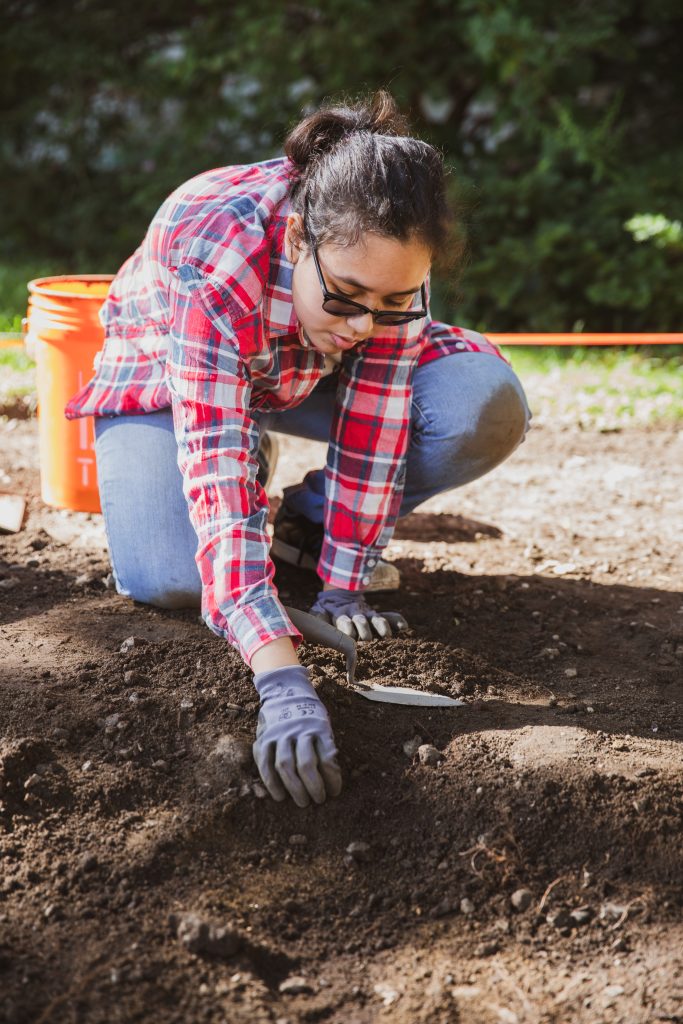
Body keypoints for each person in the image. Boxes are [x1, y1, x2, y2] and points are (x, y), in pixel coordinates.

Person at [65, 90, 531, 810]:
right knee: (170, 578)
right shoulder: (213, 256)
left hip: (306, 368)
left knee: (479, 407)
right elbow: (214, 469)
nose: (366, 322)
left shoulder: (387, 266)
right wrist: (280, 678)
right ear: (295, 242)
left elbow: (375, 422)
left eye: (391, 301)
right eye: (345, 295)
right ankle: (260, 470)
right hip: (181, 365)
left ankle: (301, 527)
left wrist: (342, 578)